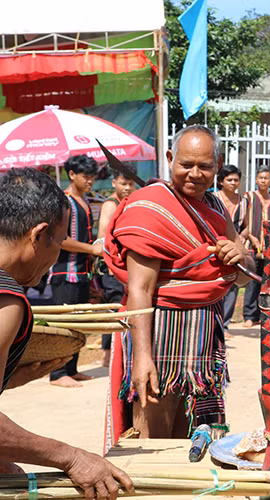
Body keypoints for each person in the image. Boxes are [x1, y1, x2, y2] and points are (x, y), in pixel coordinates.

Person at [104, 125, 256, 442]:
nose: (195, 174)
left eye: (205, 166)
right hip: (159, 338)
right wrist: (142, 358)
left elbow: (243, 276)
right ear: (171, 159)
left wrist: (240, 254)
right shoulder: (150, 207)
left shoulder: (215, 207)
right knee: (153, 440)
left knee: (195, 439)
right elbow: (140, 290)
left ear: (218, 164)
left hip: (202, 344)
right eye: (187, 164)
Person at [0, 168, 134, 498]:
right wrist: (71, 457)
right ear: (39, 234)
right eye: (59, 242)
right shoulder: (7, 302)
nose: (57, 252)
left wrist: (11, 377)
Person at [49, 154, 103, 388]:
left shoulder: (84, 200)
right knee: (65, 326)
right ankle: (58, 373)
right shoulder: (65, 201)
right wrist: (93, 249)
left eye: (92, 177)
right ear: (72, 174)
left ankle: (72, 368)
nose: (90, 181)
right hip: (65, 272)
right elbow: (61, 239)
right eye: (85, 176)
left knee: (78, 324)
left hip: (82, 273)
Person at [93, 165, 138, 366]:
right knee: (114, 308)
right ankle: (107, 353)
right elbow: (103, 236)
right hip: (113, 266)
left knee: (124, 307)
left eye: (130, 183)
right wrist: (112, 262)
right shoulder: (110, 205)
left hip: (128, 266)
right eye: (123, 183)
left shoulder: (132, 202)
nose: (127, 187)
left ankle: (121, 350)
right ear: (114, 183)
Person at [215, 165, 249, 336]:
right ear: (221, 181)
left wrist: (240, 238)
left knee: (234, 284)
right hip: (217, 246)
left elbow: (247, 226)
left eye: (236, 180)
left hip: (237, 247)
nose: (233, 183)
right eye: (229, 180)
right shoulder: (214, 199)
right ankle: (216, 323)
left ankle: (225, 324)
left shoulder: (243, 202)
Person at [242, 166, 270, 329]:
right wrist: (251, 237)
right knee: (251, 282)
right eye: (261, 177)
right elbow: (245, 222)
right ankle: (249, 316)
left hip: (269, 247)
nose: (263, 180)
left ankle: (264, 315)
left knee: (267, 283)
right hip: (252, 246)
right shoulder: (249, 197)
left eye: (266, 178)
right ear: (256, 180)